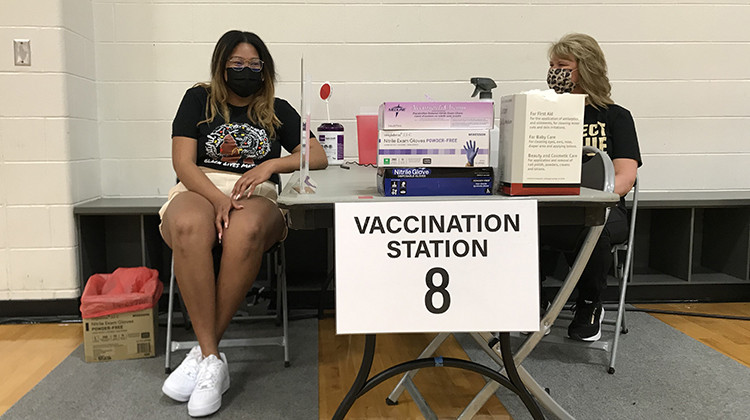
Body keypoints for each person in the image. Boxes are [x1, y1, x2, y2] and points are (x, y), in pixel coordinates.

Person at [158, 30, 327, 417]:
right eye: (237, 64)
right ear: (221, 66)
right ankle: (213, 359)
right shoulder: (197, 99)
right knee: (187, 226)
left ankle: (203, 356)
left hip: (256, 191)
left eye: (254, 65)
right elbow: (183, 163)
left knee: (245, 229)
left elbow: (316, 155)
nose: (246, 71)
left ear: (264, 69)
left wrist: (270, 164)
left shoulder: (277, 108)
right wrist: (218, 198)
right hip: (200, 186)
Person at [541, 33, 642, 341]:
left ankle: (589, 305)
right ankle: (534, 300)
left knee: (594, 224)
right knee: (522, 224)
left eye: (562, 65)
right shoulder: (544, 114)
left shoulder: (616, 117)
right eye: (551, 65)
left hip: (604, 209)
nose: (554, 71)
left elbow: (626, 175)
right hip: (555, 204)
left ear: (585, 68)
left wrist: (600, 201)